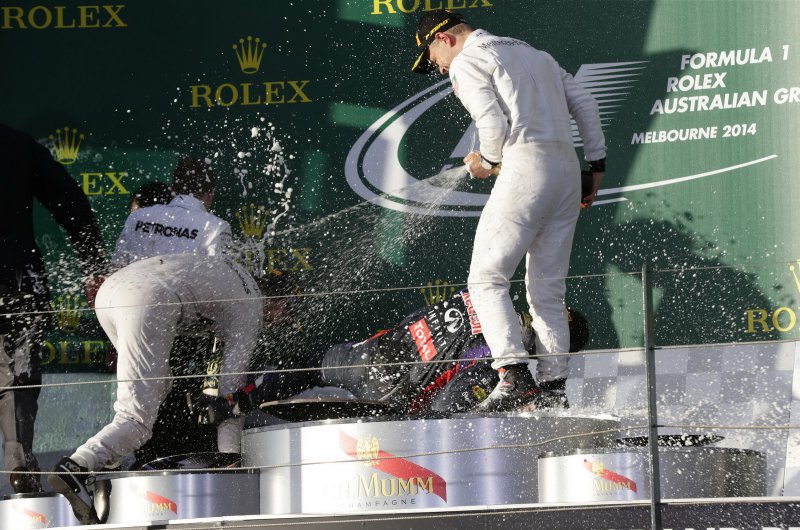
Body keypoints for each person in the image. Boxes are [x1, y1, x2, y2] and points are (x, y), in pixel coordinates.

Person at [411, 10, 606, 412]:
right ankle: (553, 391)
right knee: (547, 291)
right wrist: (596, 168)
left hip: (525, 168)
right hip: (567, 172)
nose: (437, 67)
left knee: (486, 279)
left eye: (432, 58)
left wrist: (486, 159)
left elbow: (492, 123)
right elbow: (585, 103)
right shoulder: (536, 54)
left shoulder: (467, 59)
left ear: (444, 38)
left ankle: (514, 376)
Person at [47, 254, 263, 525]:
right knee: (136, 420)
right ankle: (77, 466)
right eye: (287, 311)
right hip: (147, 299)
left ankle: (107, 463)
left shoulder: (235, 278)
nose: (285, 321)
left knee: (161, 385)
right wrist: (232, 463)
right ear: (277, 301)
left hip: (111, 291)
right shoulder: (252, 309)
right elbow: (230, 397)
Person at [189, 288, 588, 424]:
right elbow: (448, 409)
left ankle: (232, 402)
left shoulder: (486, 292)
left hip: (364, 358)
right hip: (394, 394)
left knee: (309, 364)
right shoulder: (500, 353)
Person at [0, 123, 108, 494]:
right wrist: (93, 264)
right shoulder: (15, 143)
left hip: (17, 280)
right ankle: (18, 460)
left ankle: (19, 461)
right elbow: (70, 201)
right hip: (17, 277)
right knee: (18, 374)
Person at [111, 157, 231, 269]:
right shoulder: (216, 227)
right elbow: (222, 277)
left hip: (136, 284)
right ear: (211, 193)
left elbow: (117, 270)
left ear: (173, 189)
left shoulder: (137, 217)